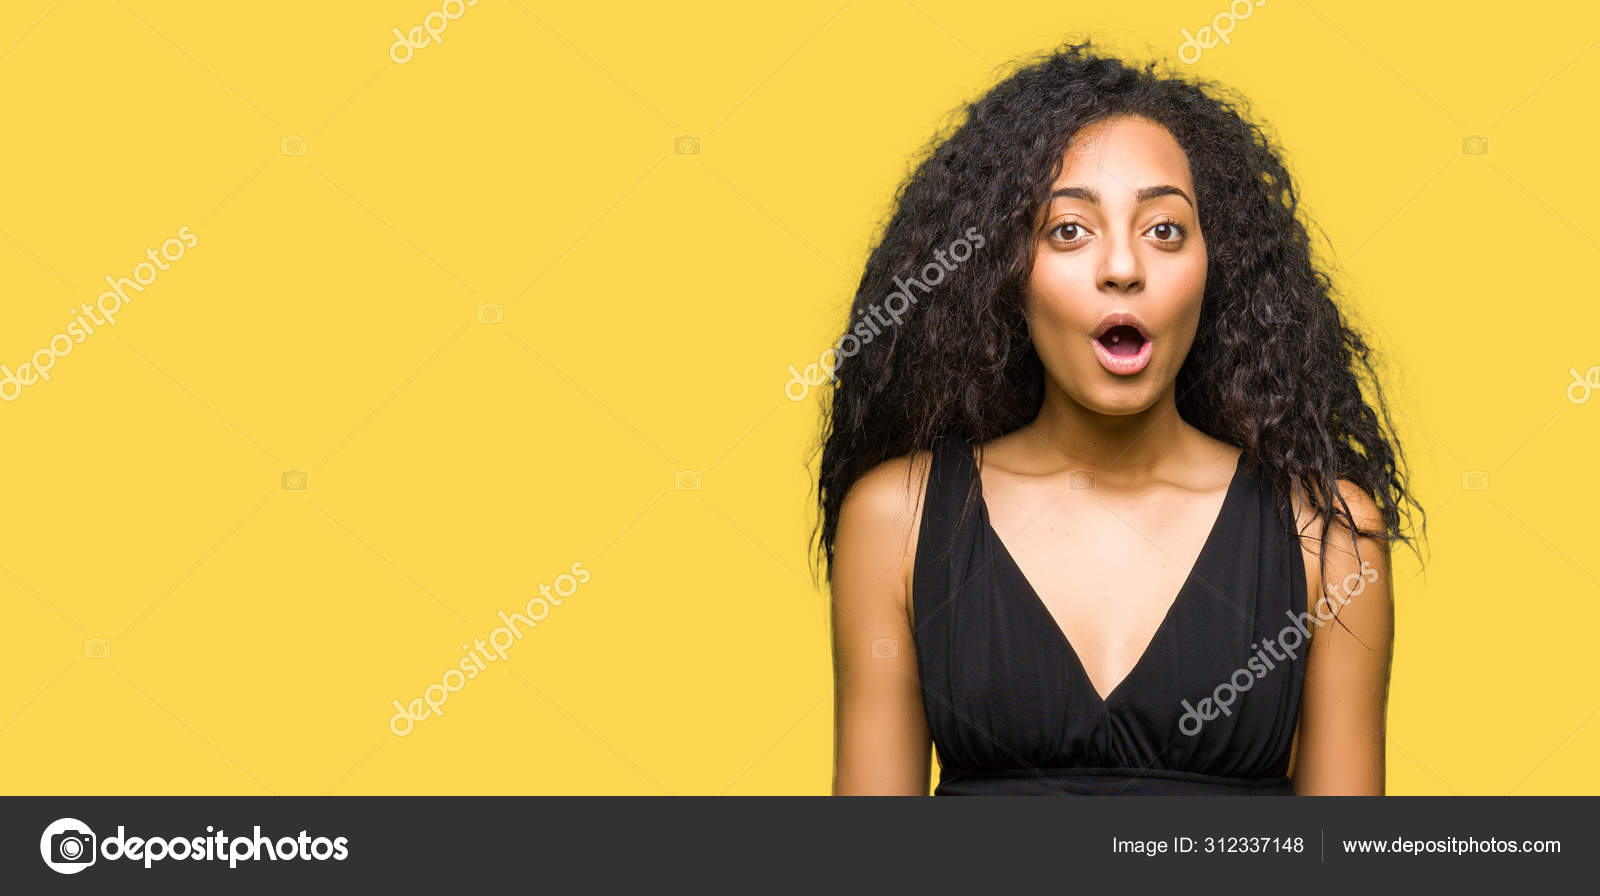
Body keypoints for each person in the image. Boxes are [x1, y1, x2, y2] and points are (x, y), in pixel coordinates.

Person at [818, 42, 1425, 795]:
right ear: (1005, 270)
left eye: (1163, 229)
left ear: (1214, 262)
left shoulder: (1328, 538)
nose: (1123, 267)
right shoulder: (896, 521)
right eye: (1069, 230)